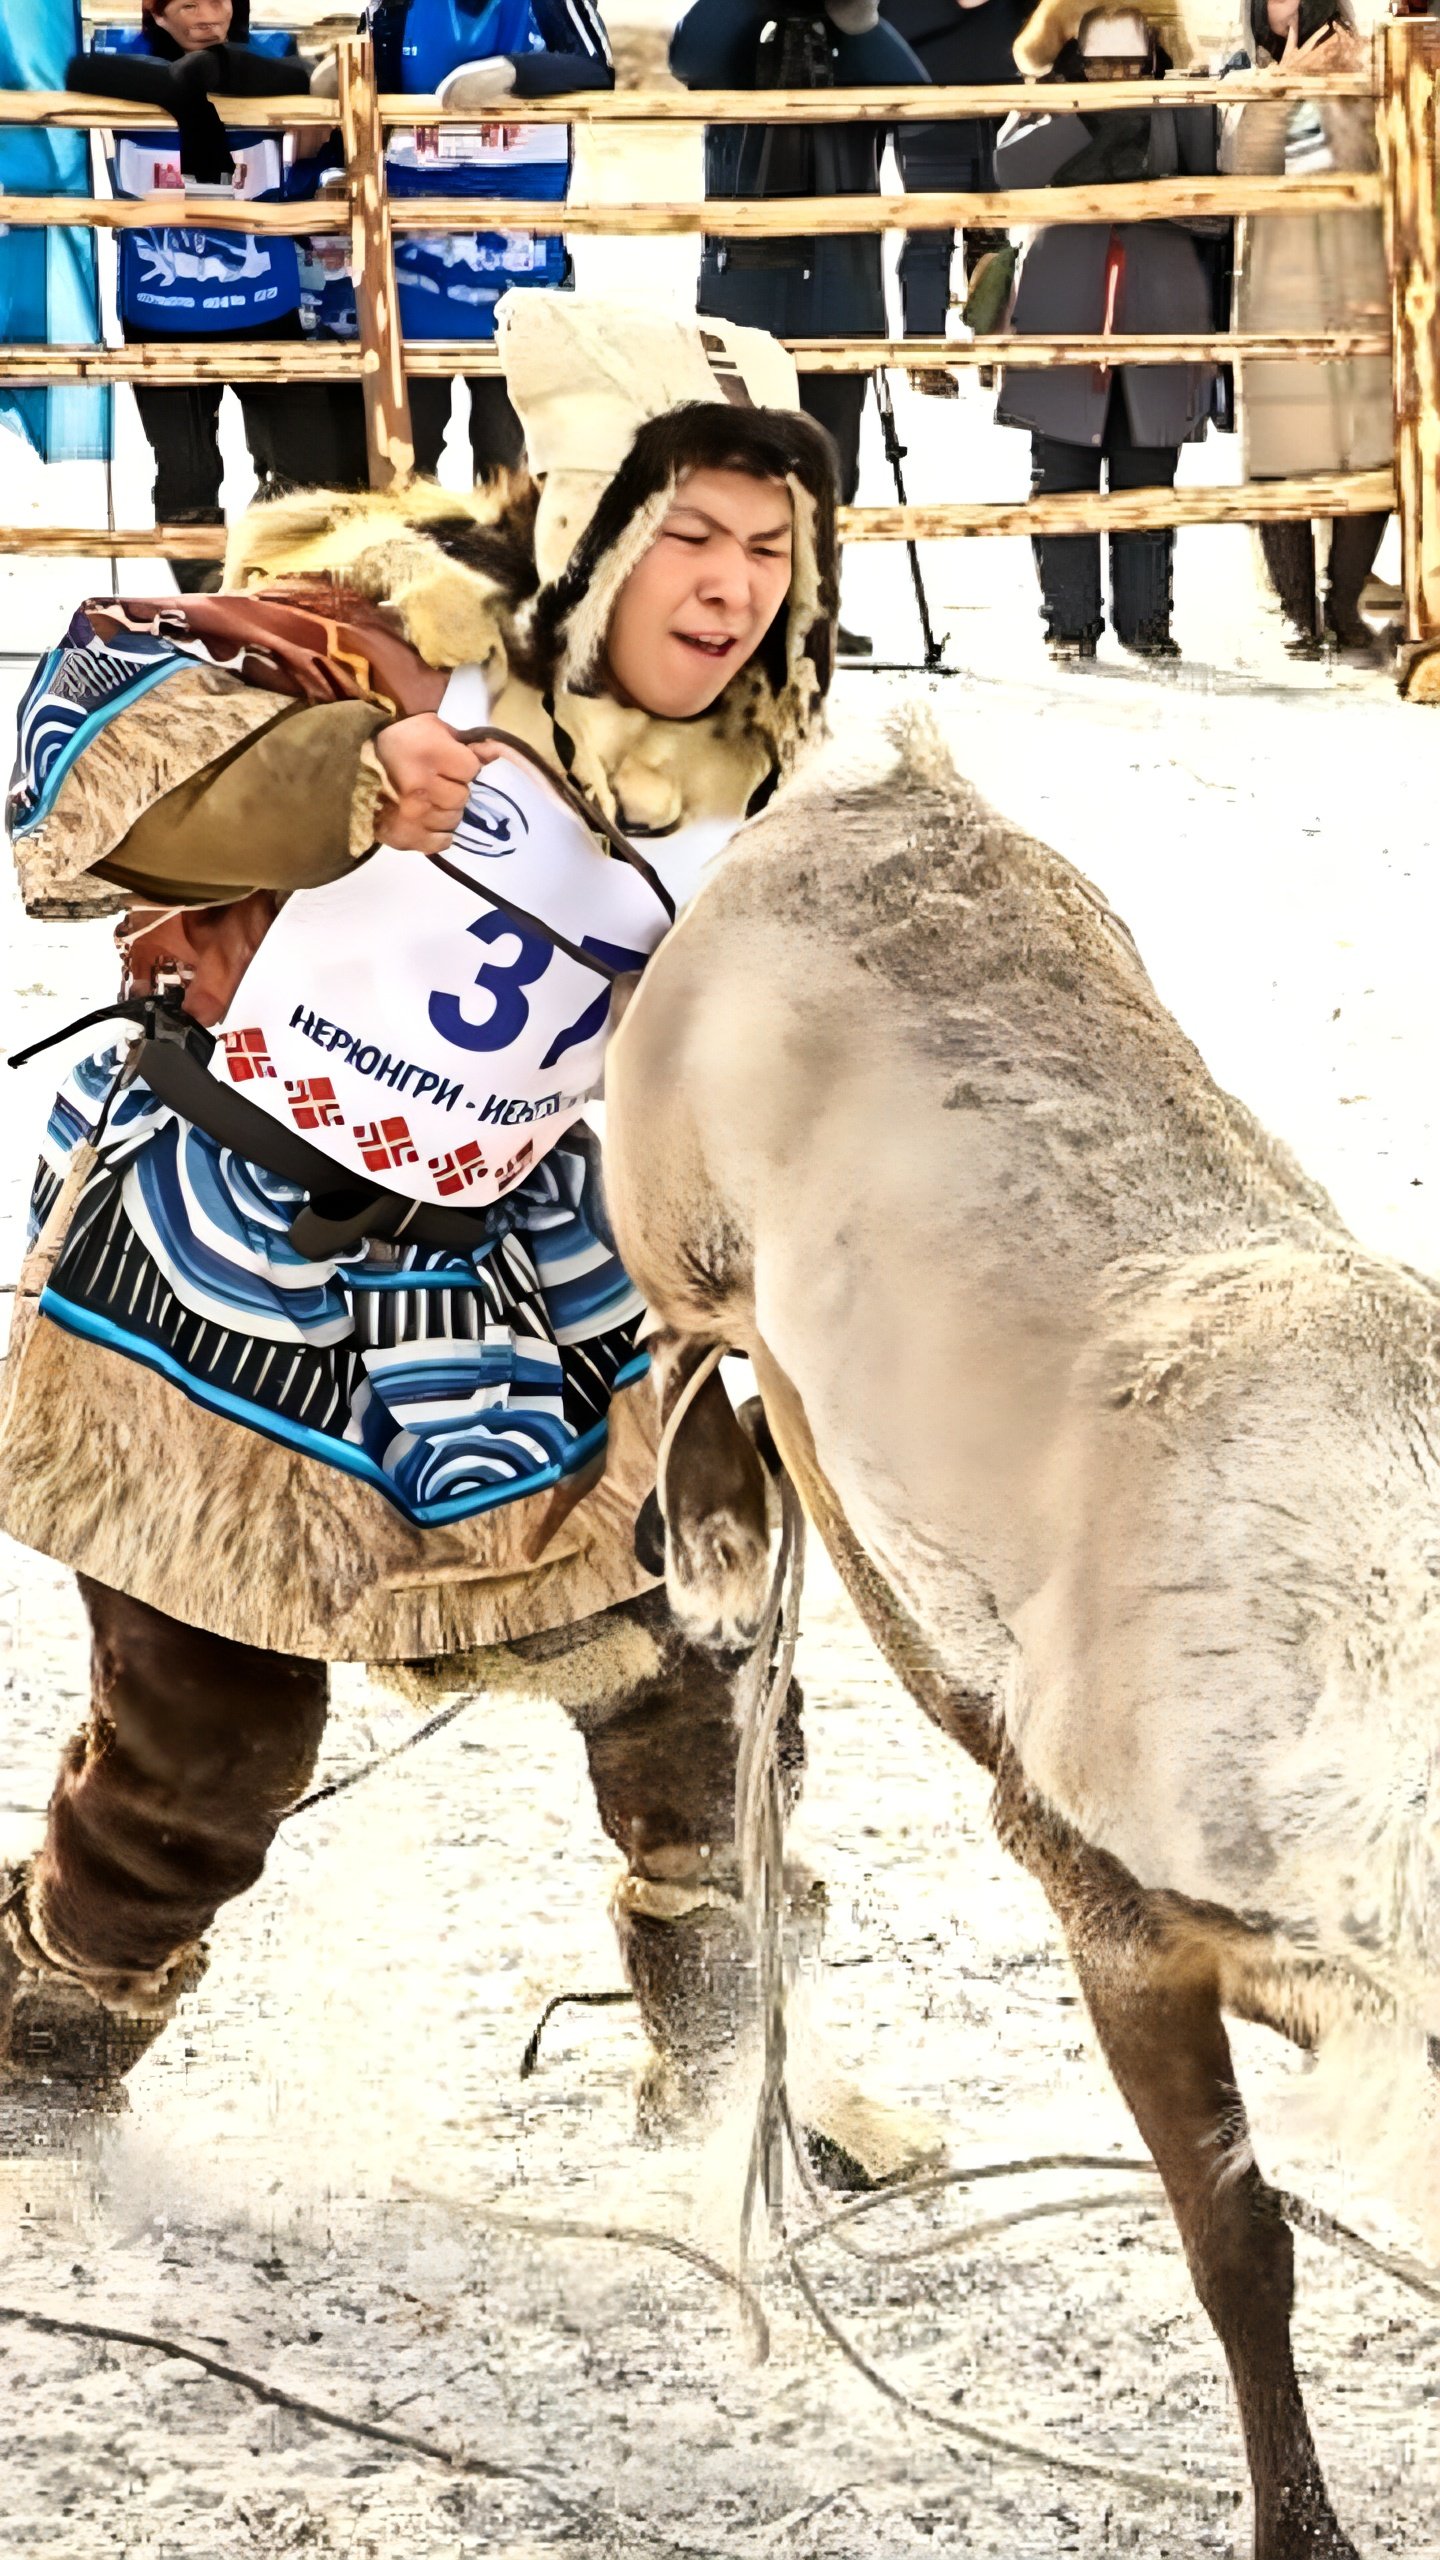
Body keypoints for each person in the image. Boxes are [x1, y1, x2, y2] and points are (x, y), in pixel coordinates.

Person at [0, 295, 931, 2189]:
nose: (733, 585)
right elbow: (63, 764)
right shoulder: (398, 648)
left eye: (771, 547)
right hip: (224, 1257)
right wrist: (332, 779)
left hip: (506, 1276)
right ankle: (32, 2081)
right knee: (205, 1757)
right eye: (690, 534)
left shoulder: (764, 780)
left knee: (699, 1647)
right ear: (591, 531)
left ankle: (734, 2074)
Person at [67, 0, 366, 592]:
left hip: (266, 306)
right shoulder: (118, 54)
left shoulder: (272, 56)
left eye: (220, 0)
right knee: (186, 474)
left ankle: (277, 601)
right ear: (156, 13)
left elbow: (305, 80)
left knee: (308, 470)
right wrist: (186, 99)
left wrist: (200, 77)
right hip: (161, 314)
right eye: (188, 4)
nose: (209, 14)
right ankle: (207, 610)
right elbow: (79, 75)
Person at [670, 0, 931, 656]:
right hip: (747, 288)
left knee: (831, 462)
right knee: (734, 459)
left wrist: (859, 22)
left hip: (837, 288)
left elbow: (919, 105)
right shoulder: (735, 37)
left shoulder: (853, 40)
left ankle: (815, 610)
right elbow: (689, 55)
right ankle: (739, 606)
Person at [993, 0, 1220, 663]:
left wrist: (1163, 186)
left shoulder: (1184, 101)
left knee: (1147, 472)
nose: (1116, 69)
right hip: (1062, 303)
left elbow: (1217, 205)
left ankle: (1147, 624)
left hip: (1161, 306)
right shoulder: (1049, 99)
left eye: (1131, 55)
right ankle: (1068, 623)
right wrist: (1082, 115)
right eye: (1100, 57)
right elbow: (1011, 173)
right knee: (1060, 472)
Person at [307, 0, 614, 481]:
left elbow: (597, 67)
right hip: (412, 261)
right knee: (410, 444)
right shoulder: (394, 4)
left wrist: (513, 72)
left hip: (519, 259)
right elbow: (368, 93)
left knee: (509, 448)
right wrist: (335, 166)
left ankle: (508, 553)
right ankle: (417, 550)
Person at [1220, 0, 1393, 661]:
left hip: (1360, 286)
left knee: (1369, 449)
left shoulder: (1368, 80)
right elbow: (1243, 170)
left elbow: (1383, 161)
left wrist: (1364, 84)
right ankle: (1298, 613)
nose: (1286, 6)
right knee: (1280, 458)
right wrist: (1282, 87)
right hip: (1277, 293)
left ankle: (1343, 603)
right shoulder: (1240, 79)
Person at [880, 0, 1033, 397]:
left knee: (993, 239)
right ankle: (925, 355)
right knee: (930, 236)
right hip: (929, 106)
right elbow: (885, 21)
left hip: (1003, 106)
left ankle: (990, 351)